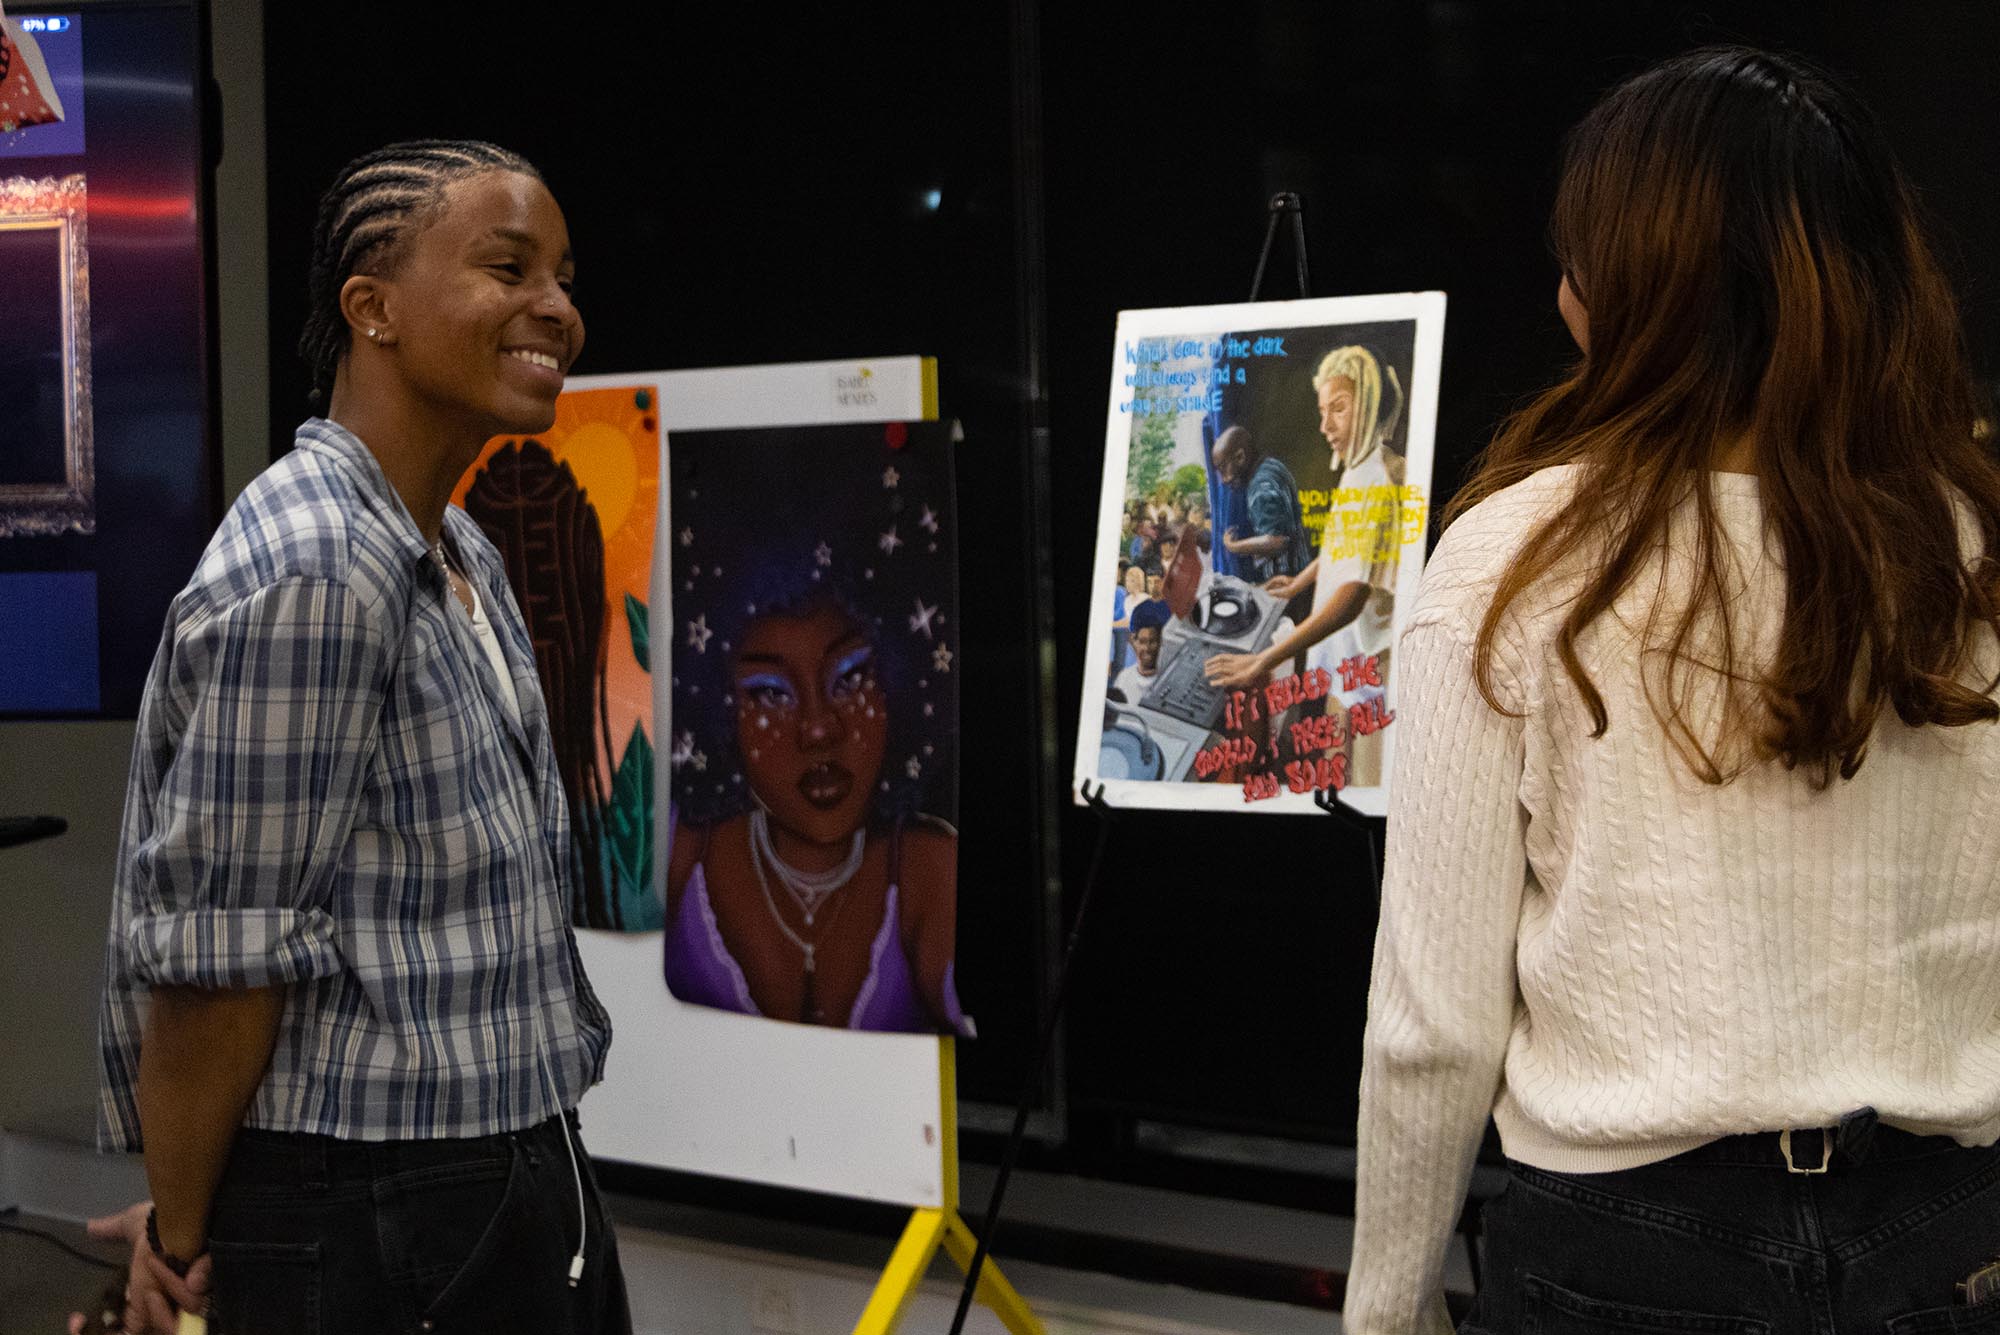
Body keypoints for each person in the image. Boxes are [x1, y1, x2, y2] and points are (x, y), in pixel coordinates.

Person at [1347, 49, 2000, 1333]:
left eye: (1578, 258)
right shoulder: (1965, 543)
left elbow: (1432, 1027)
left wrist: (1384, 1312)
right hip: (1944, 1231)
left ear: (1627, 288)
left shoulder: (1512, 561)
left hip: (1624, 1247)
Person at [89, 141, 629, 1334]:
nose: (557, 308)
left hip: (492, 1177)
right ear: (370, 307)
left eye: (563, 275)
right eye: (509, 268)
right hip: (386, 1209)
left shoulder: (451, 545)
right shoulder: (323, 562)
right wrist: (187, 1236)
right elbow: (222, 969)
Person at [1203, 346, 1406, 787]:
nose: (1325, 426)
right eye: (1322, 411)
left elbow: (1352, 596)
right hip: (1348, 659)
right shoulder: (1358, 469)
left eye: (1339, 409)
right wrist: (1299, 582)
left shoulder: (1377, 482)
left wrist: (1263, 660)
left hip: (1369, 664)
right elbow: (1342, 545)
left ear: (1369, 403)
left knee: (1361, 782)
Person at [1211, 424, 1309, 581]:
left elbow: (1277, 541)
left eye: (1223, 468)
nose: (1223, 480)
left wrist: (1233, 546)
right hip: (1300, 572)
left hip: (1285, 579)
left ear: (1240, 457)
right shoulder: (1271, 466)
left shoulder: (1260, 486)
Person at [1111, 598, 1171, 705]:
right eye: (1142, 641)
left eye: (1153, 641)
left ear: (1161, 642)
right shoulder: (1123, 679)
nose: (1147, 648)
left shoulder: (1168, 679)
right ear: (1133, 640)